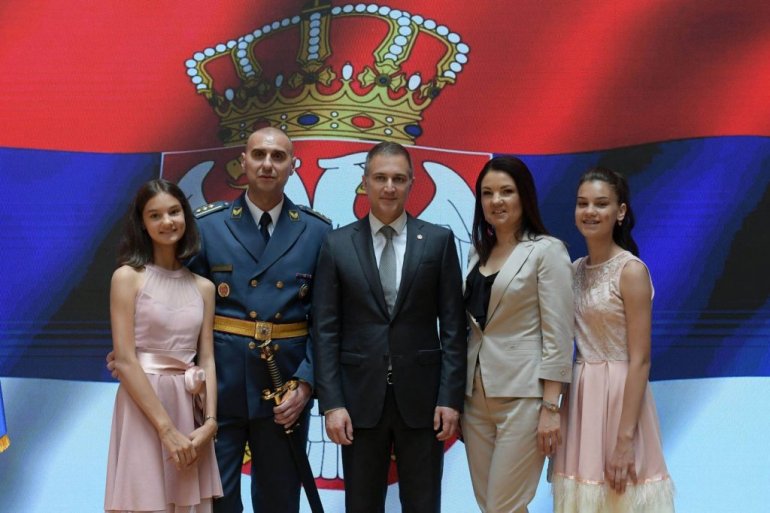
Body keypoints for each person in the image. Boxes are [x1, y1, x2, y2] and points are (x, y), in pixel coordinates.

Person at [312, 141, 467, 513]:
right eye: (380, 178)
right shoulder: (336, 244)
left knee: (423, 504)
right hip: (359, 400)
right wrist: (332, 403)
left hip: (424, 400)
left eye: (398, 178)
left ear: (412, 183)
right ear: (364, 182)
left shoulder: (438, 241)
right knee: (362, 504)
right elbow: (325, 330)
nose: (389, 187)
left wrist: (449, 398)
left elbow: (453, 328)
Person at [188, 127, 332, 513]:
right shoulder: (208, 225)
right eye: (259, 155)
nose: (268, 164)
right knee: (216, 499)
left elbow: (325, 321)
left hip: (283, 385)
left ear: (293, 166)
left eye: (278, 157)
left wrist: (306, 382)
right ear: (243, 162)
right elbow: (182, 308)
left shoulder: (317, 231)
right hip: (219, 384)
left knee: (279, 500)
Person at [551, 167, 674, 512]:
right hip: (581, 396)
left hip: (622, 397)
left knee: (623, 494)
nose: (590, 211)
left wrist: (625, 439)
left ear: (620, 212)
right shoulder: (573, 270)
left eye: (601, 203)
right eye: (583, 203)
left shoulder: (631, 271)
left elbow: (641, 359)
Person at [462, 156, 574, 513]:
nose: (496, 201)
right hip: (474, 398)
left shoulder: (547, 250)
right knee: (490, 505)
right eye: (487, 193)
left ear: (524, 196)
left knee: (504, 506)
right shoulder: (475, 254)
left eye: (506, 192)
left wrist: (551, 408)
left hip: (525, 397)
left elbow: (559, 334)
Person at [105, 179, 222, 512]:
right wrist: (166, 429)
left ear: (185, 215)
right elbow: (125, 360)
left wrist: (210, 423)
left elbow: (207, 359)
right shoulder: (127, 277)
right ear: (142, 223)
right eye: (155, 215)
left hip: (190, 406)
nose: (167, 221)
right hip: (143, 406)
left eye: (174, 212)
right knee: (146, 500)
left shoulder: (204, 287)